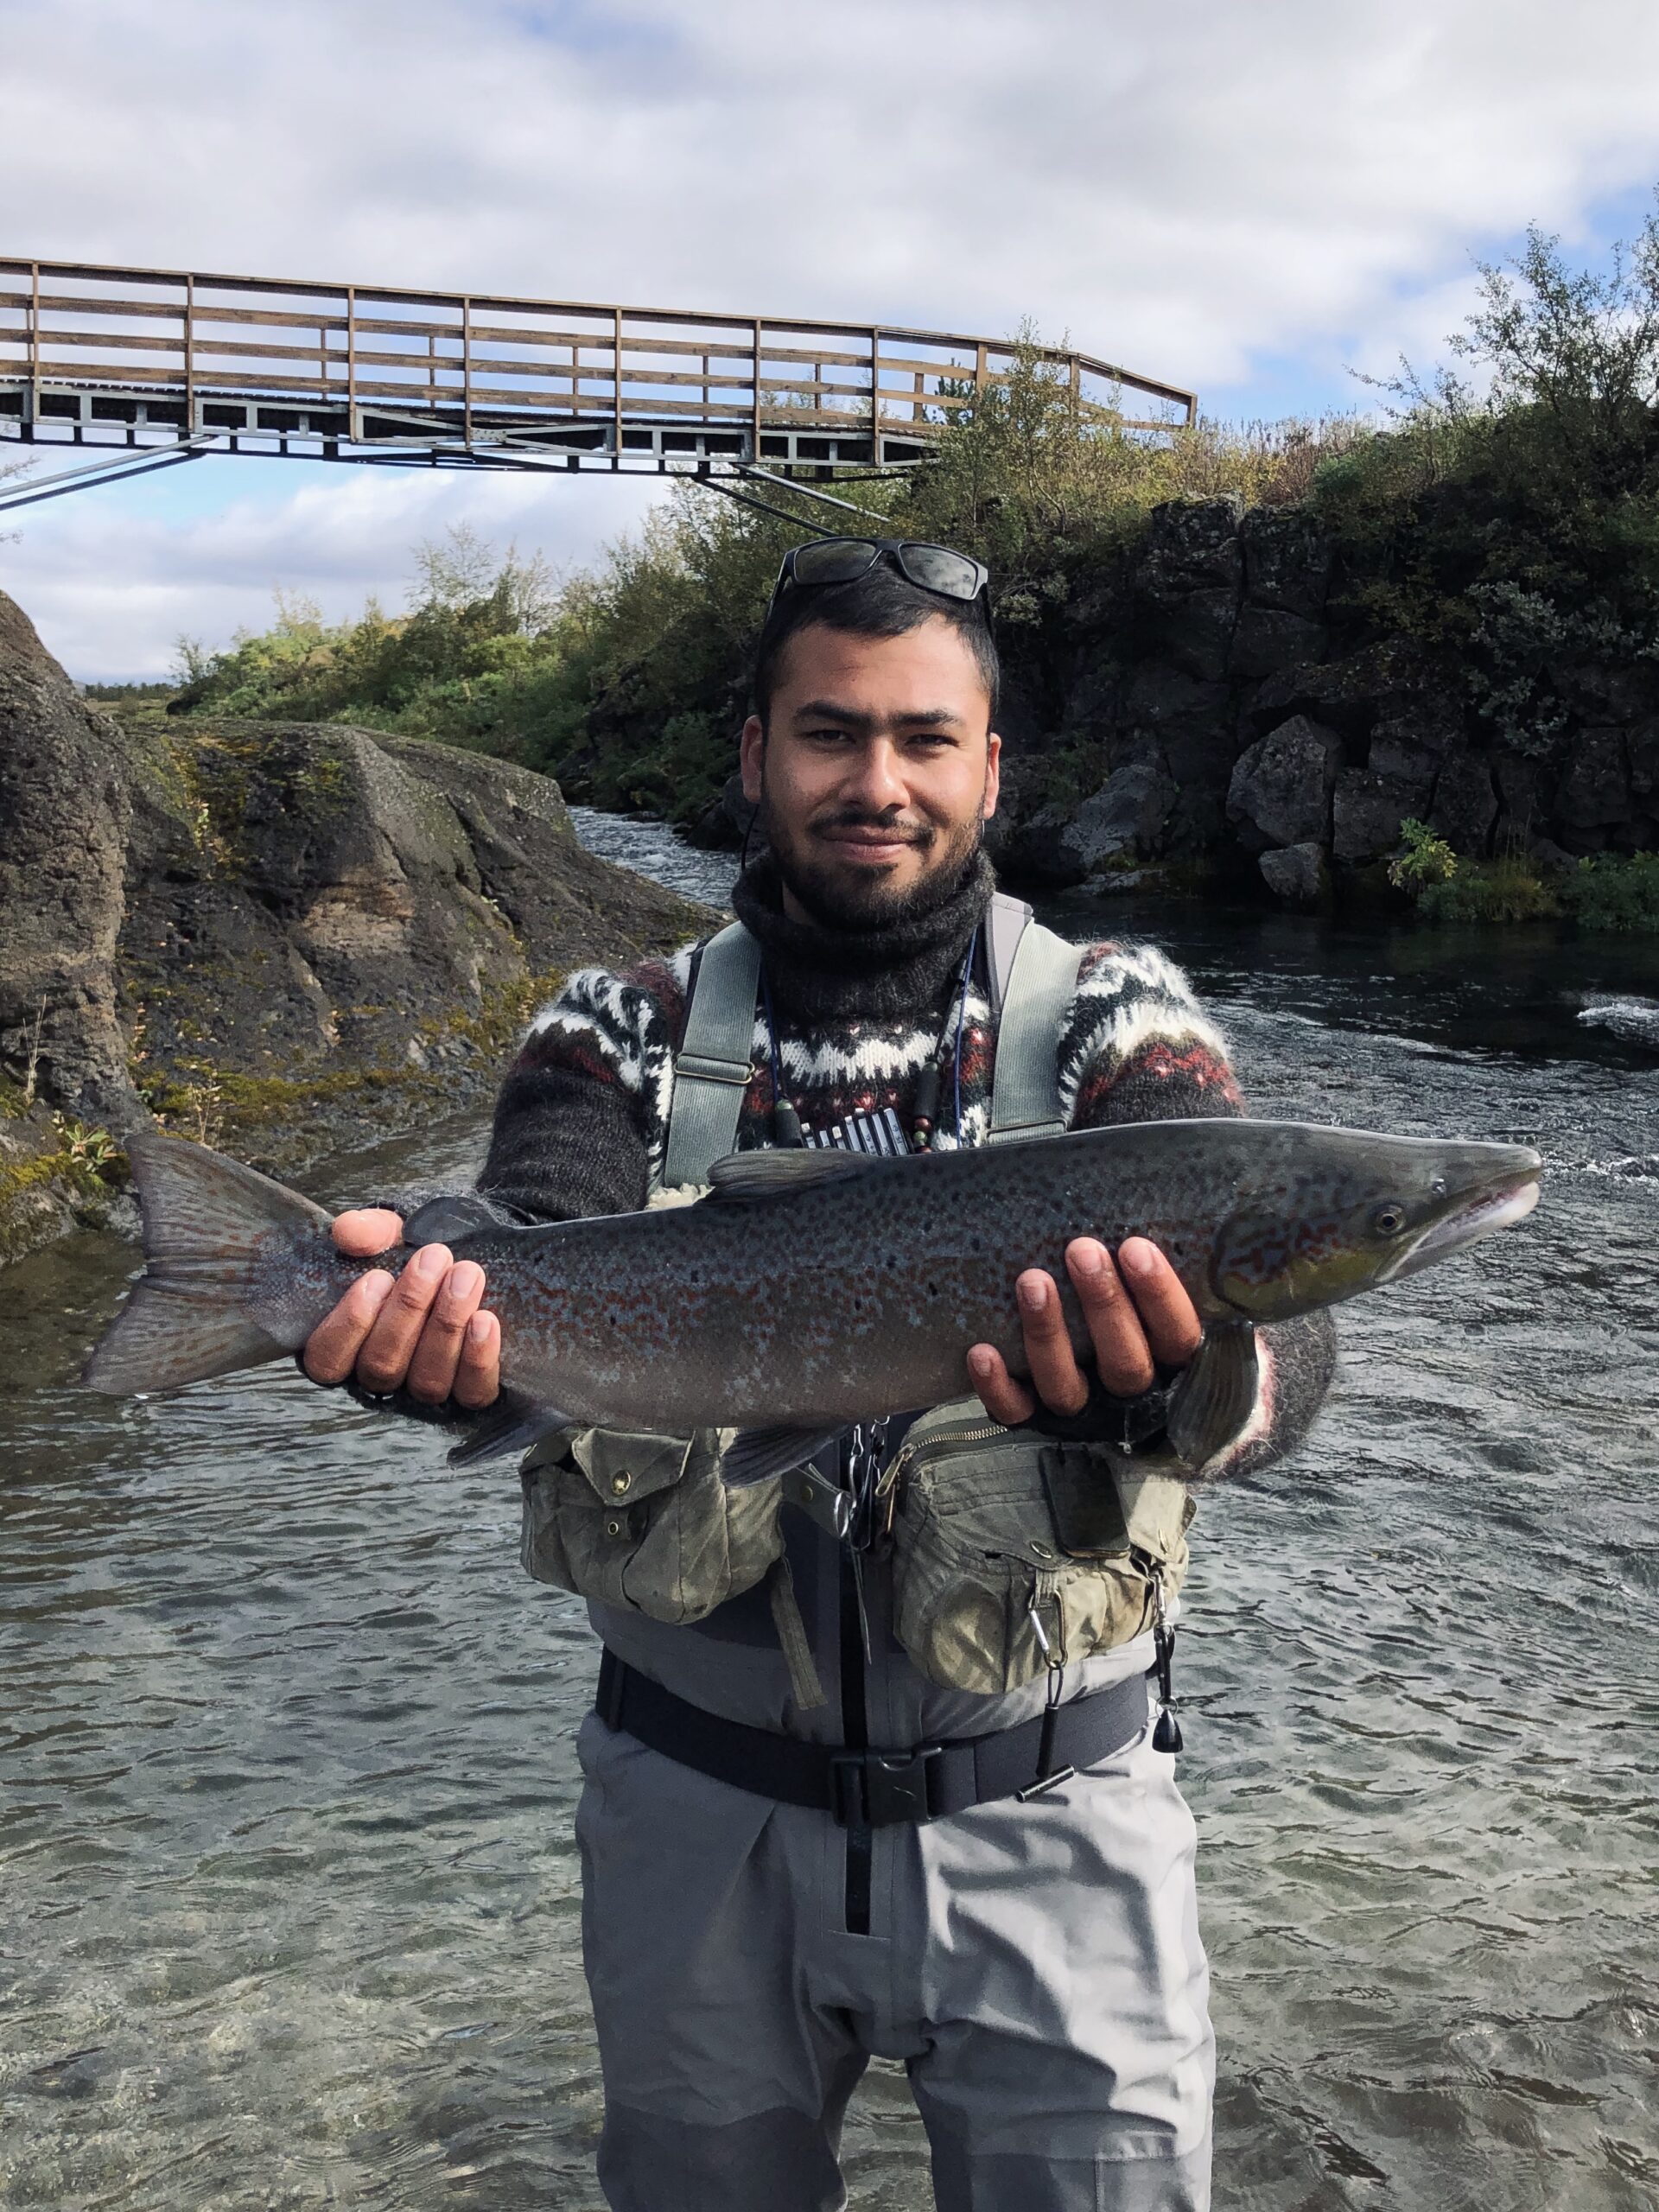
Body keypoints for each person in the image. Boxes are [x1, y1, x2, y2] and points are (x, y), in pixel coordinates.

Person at [302, 537, 1337, 2212]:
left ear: (990, 765)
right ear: (754, 756)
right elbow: (542, 1228)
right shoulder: (612, 1029)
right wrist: (434, 1332)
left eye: (925, 737)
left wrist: (1172, 1387)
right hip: (694, 1823)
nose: (879, 780)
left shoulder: (1113, 1021)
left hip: (1057, 1802)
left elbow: (1287, 1330)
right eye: (829, 733)